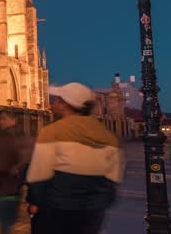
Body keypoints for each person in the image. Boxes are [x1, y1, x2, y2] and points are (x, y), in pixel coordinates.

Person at [25, 82, 123, 234]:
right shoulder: (107, 136)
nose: (53, 103)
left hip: (57, 207)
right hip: (94, 209)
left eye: (57, 100)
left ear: (66, 105)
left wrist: (35, 202)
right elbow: (113, 175)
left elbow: (40, 173)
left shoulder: (52, 132)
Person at [0, 112, 28, 234]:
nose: (1, 122)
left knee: (4, 220)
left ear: (13, 119)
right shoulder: (18, 135)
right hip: (12, 184)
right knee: (7, 220)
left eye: (4, 119)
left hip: (4, 184)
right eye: (0, 119)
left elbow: (1, 161)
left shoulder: (6, 136)